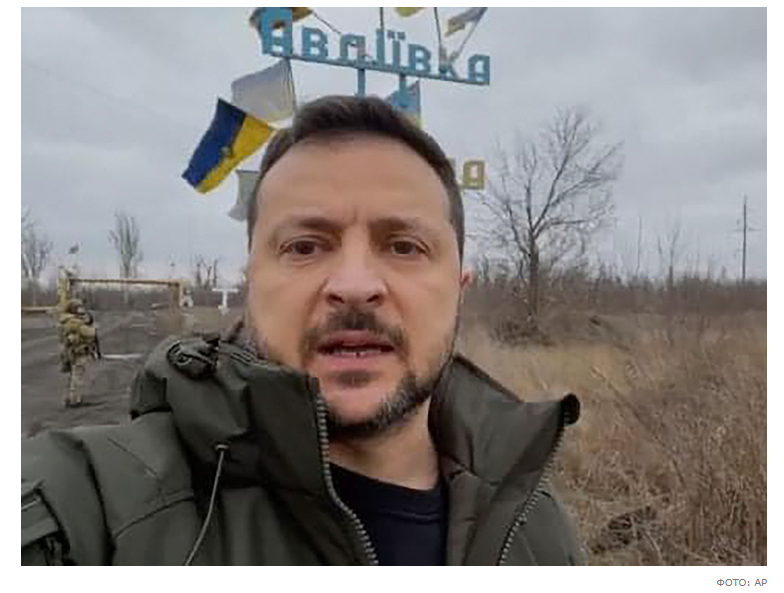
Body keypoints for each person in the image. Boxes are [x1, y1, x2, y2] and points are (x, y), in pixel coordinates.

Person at [21, 95, 584, 565]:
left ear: (459, 288)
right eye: (305, 246)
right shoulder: (87, 507)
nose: (355, 285)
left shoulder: (532, 523)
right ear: (252, 283)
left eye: (404, 246)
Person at [55, 298, 100, 408]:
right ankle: (75, 400)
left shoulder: (65, 320)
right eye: (79, 307)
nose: (82, 310)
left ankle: (71, 398)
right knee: (78, 376)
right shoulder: (74, 322)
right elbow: (90, 333)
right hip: (78, 352)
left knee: (73, 376)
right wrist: (92, 327)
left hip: (70, 352)